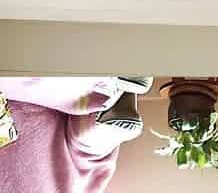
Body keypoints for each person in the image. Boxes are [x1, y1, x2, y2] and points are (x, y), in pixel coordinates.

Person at [0, 77, 151, 193]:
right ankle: (105, 79)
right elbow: (89, 158)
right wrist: (102, 131)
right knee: (89, 96)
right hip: (52, 94)